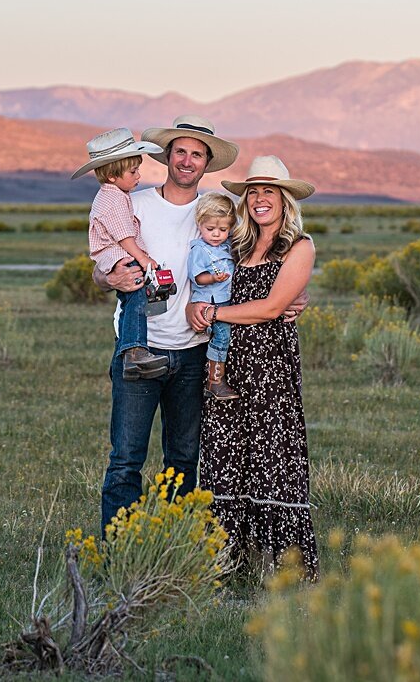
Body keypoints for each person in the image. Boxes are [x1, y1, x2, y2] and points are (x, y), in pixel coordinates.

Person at [94, 116, 240, 532]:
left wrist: (294, 290)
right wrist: (109, 278)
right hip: (139, 351)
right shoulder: (132, 203)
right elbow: (101, 265)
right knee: (126, 460)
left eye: (197, 153)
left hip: (194, 353)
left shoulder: (216, 212)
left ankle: (173, 553)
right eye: (181, 151)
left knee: (183, 459)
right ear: (167, 156)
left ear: (207, 162)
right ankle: (120, 555)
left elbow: (253, 258)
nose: (187, 160)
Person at [190, 155, 320, 579]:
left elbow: (274, 306)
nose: (261, 199)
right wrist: (198, 304)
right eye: (254, 192)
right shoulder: (237, 245)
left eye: (270, 191)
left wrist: (214, 313)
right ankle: (224, 564)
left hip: (271, 371)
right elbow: (207, 280)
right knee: (225, 457)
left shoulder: (299, 246)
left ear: (285, 200)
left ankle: (281, 568)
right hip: (228, 368)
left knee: (271, 460)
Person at [72, 127, 168, 379]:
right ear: (113, 176)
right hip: (116, 253)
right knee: (136, 297)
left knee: (133, 298)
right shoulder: (113, 198)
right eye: (133, 171)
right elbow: (124, 235)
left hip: (115, 252)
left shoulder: (116, 194)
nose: (139, 175)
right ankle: (133, 350)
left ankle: (131, 350)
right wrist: (144, 258)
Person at [188, 192, 237, 401]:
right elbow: (197, 277)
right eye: (210, 229)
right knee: (223, 336)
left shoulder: (226, 245)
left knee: (225, 337)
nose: (216, 234)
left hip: (224, 300)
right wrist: (213, 278)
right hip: (211, 301)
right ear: (200, 224)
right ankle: (214, 380)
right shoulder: (200, 249)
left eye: (223, 229)